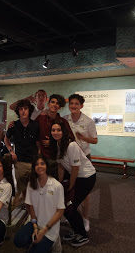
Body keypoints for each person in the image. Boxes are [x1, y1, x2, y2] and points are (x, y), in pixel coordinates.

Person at [50, 120, 96, 247]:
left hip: (87, 177)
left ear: (64, 131)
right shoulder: (57, 145)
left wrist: (70, 187)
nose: (55, 132)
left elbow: (75, 168)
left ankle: (83, 235)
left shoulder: (71, 145)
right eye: (53, 130)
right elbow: (61, 166)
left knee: (69, 206)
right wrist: (59, 185)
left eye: (58, 130)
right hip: (78, 177)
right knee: (65, 206)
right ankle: (77, 231)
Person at [14, 156, 65, 253]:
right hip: (35, 223)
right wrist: (34, 226)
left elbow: (60, 211)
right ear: (33, 168)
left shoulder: (57, 186)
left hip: (50, 228)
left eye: (42, 163)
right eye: (36, 164)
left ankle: (54, 241)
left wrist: (44, 230)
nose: (39, 166)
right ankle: (34, 241)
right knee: (18, 240)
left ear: (47, 166)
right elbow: (31, 206)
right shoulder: (31, 184)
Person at [63, 93, 98, 231]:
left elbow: (95, 140)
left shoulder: (88, 121)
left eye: (76, 104)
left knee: (85, 193)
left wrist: (83, 138)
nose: (73, 106)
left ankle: (85, 218)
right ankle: (69, 214)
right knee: (69, 188)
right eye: (71, 103)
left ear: (81, 106)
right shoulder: (65, 119)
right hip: (69, 159)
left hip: (84, 158)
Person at [5, 99, 40, 205]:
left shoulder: (35, 125)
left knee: (34, 185)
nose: (23, 111)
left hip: (33, 161)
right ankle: (24, 203)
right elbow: (6, 139)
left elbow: (38, 143)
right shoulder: (13, 125)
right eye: (21, 109)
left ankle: (31, 204)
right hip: (19, 161)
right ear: (18, 111)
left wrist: (39, 157)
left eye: (26, 109)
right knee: (21, 186)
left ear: (29, 110)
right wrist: (11, 151)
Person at [35, 94, 75, 177]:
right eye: (53, 102)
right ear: (48, 104)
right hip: (42, 157)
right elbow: (34, 134)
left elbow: (71, 139)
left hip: (58, 159)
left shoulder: (63, 122)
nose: (54, 105)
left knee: (56, 184)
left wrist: (53, 141)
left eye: (57, 103)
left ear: (59, 107)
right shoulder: (40, 118)